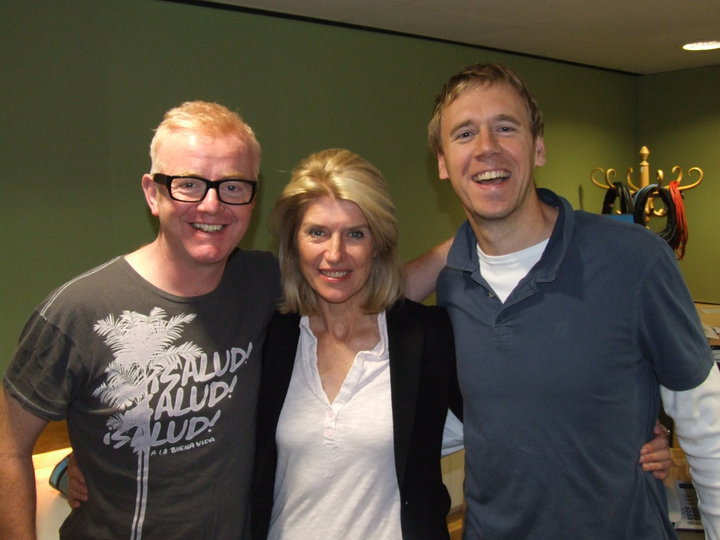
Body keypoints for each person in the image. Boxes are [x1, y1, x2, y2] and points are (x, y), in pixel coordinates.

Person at [409, 63, 720, 538]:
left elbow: (707, 422)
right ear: (442, 163)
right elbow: (478, 413)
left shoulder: (634, 260)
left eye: (505, 127)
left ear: (538, 147)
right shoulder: (453, 283)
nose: (486, 147)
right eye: (465, 133)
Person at [0, 101, 281, 538]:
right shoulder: (78, 311)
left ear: (252, 197)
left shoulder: (266, 283)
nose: (211, 205)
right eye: (189, 185)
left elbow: (363, 285)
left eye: (232, 186)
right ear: (153, 194)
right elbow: (7, 448)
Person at [250, 148, 463, 539]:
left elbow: (500, 426)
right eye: (317, 232)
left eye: (355, 234)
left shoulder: (425, 337)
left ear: (377, 243)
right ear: (294, 242)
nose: (335, 254)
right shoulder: (271, 338)